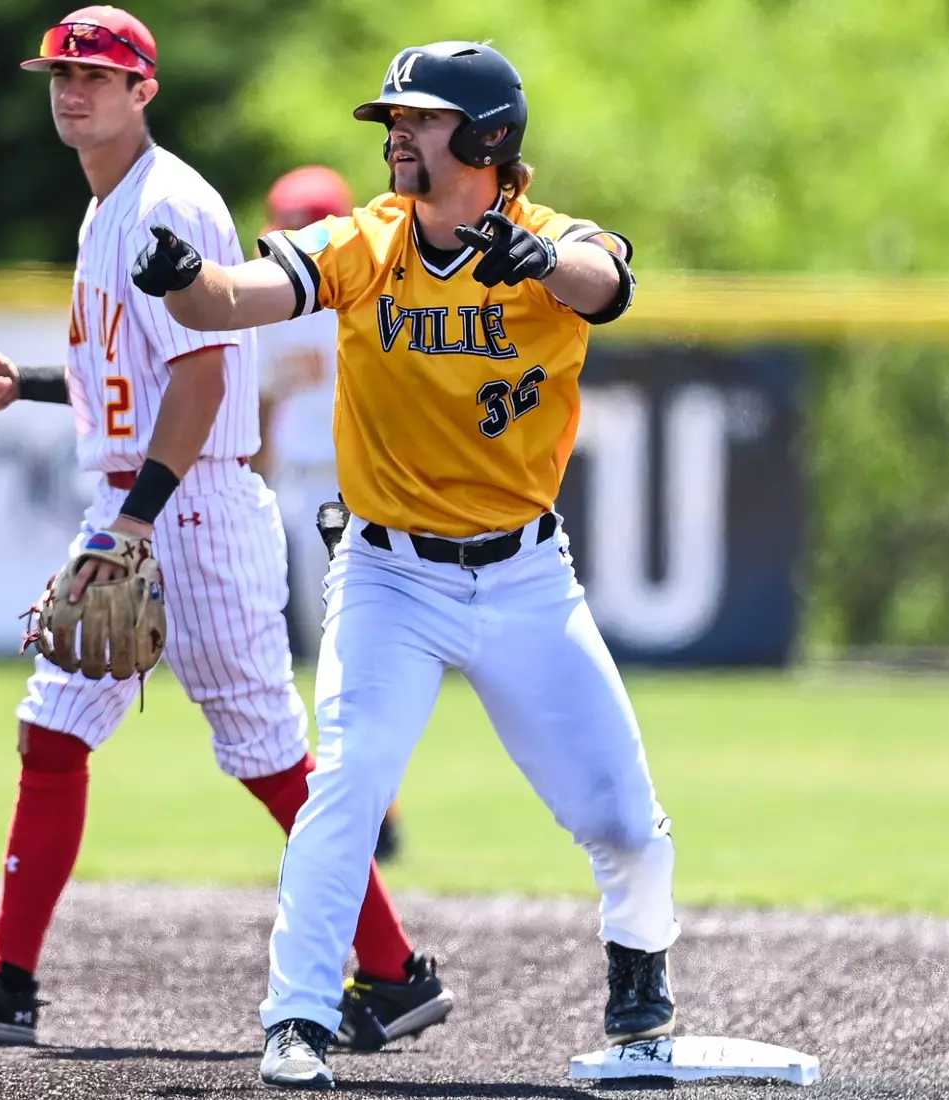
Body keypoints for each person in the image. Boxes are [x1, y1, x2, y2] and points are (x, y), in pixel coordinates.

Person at [0, 9, 452, 1052]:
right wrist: (25, 384)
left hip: (188, 508)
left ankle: (392, 969)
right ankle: (7, 978)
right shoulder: (109, 207)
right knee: (52, 731)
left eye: (96, 73)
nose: (71, 89)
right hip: (146, 500)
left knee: (270, 756)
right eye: (60, 73)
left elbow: (204, 373)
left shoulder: (163, 203)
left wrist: (133, 523)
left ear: (144, 91)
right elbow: (128, 380)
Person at [130, 41, 678, 1090]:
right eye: (392, 119)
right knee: (345, 783)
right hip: (387, 576)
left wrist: (539, 264)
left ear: (485, 136)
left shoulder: (548, 243)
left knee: (620, 815)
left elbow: (606, 280)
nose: (395, 134)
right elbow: (234, 299)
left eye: (418, 119)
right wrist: (186, 281)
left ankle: (640, 999)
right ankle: (295, 1017)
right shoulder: (365, 241)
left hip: (524, 576)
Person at [251, 165, 405, 865]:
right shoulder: (276, 307)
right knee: (326, 650)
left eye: (302, 221)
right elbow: (260, 410)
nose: (290, 234)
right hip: (297, 484)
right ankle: (364, 806)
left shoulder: (366, 293)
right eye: (287, 222)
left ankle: (369, 808)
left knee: (348, 652)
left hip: (350, 487)